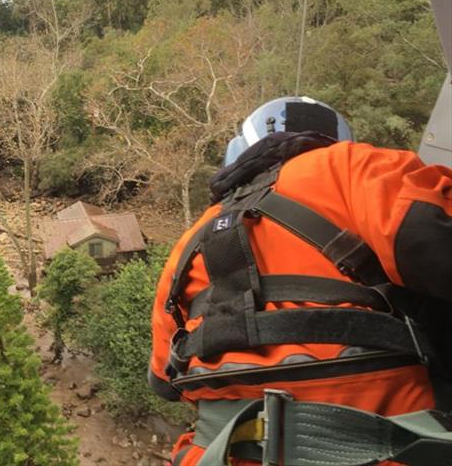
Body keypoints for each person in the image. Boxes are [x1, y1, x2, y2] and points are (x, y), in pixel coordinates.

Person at [148, 96, 452, 466]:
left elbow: (163, 382)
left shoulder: (189, 242)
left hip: (219, 455)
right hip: (386, 447)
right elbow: (429, 241)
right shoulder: (355, 167)